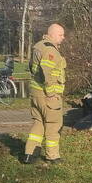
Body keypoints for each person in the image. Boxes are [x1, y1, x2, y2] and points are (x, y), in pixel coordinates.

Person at [23, 23, 66, 164]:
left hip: (35, 93)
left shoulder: (38, 46)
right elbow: (47, 72)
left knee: (38, 124)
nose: (63, 38)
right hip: (47, 96)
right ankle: (53, 156)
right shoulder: (50, 50)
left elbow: (32, 67)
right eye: (61, 35)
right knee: (54, 125)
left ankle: (30, 154)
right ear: (52, 34)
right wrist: (52, 92)